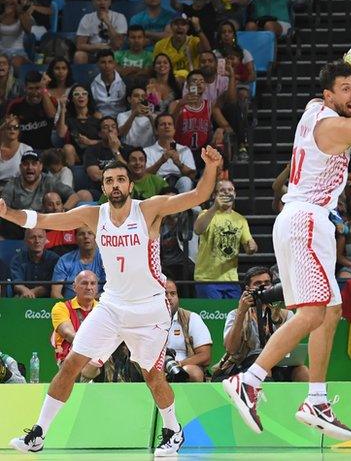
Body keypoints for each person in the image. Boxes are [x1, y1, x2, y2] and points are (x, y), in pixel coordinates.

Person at [222, 58, 351, 440]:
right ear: (328, 95)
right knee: (313, 312)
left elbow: (327, 104)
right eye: (346, 89)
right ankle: (249, 381)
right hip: (307, 220)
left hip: (301, 219)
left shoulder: (312, 110)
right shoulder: (342, 125)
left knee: (331, 310)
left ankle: (316, 399)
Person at [5, 146, 224, 456]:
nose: (116, 185)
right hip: (111, 306)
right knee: (71, 364)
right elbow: (45, 219)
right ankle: (38, 434)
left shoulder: (148, 209)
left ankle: (173, 430)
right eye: (109, 181)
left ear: (130, 184)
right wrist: (8, 213)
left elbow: (198, 196)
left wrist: (212, 166)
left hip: (149, 308)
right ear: (103, 186)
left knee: (152, 375)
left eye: (121, 179)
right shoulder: (93, 214)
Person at [218, 267, 309, 383]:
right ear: (247, 289)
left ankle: (311, 400)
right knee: (263, 367)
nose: (263, 286)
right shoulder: (235, 314)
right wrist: (241, 313)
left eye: (267, 283)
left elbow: (292, 346)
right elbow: (231, 349)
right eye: (257, 283)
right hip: (245, 364)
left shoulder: (286, 314)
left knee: (302, 371)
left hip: (280, 363)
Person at [193, 179, 256, 299]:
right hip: (207, 280)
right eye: (222, 190)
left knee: (234, 316)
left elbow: (249, 245)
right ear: (215, 195)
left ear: (235, 194)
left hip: (231, 280)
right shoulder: (205, 214)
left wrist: (251, 247)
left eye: (230, 190)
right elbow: (198, 230)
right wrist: (215, 207)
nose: (227, 193)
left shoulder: (240, 219)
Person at [51, 271, 102, 381]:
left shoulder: (103, 310)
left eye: (93, 284)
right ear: (74, 287)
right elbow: (69, 335)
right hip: (69, 359)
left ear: (97, 288)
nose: (89, 287)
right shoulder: (61, 308)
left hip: (100, 359)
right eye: (84, 283)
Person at [163, 280, 213, 383]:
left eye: (173, 294)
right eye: (164, 294)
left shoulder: (191, 318)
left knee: (193, 372)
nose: (169, 298)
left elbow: (205, 356)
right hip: (155, 368)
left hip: (184, 367)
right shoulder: (147, 320)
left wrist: (179, 364)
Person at [143, 114, 197, 193]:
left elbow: (192, 175)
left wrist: (178, 163)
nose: (167, 126)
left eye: (170, 124)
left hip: (179, 185)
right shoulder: (147, 151)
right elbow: (144, 176)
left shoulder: (184, 150)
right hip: (157, 185)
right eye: (163, 124)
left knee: (186, 181)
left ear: (174, 130)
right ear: (156, 131)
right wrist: (161, 161)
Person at [50, 225, 104, 299]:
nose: (86, 236)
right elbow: (55, 293)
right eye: (81, 234)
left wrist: (88, 303)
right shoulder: (64, 260)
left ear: (96, 237)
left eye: (90, 233)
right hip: (70, 306)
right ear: (75, 239)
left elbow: (113, 291)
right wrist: (69, 308)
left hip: (99, 306)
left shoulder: (106, 259)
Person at [8, 226, 57, 297]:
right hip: (23, 297)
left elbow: (53, 286)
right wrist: (24, 290)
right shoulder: (17, 260)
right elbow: (17, 284)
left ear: (46, 240)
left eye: (40, 237)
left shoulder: (54, 259)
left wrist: (31, 293)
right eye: (32, 237)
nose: (37, 241)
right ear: (25, 241)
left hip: (48, 299)